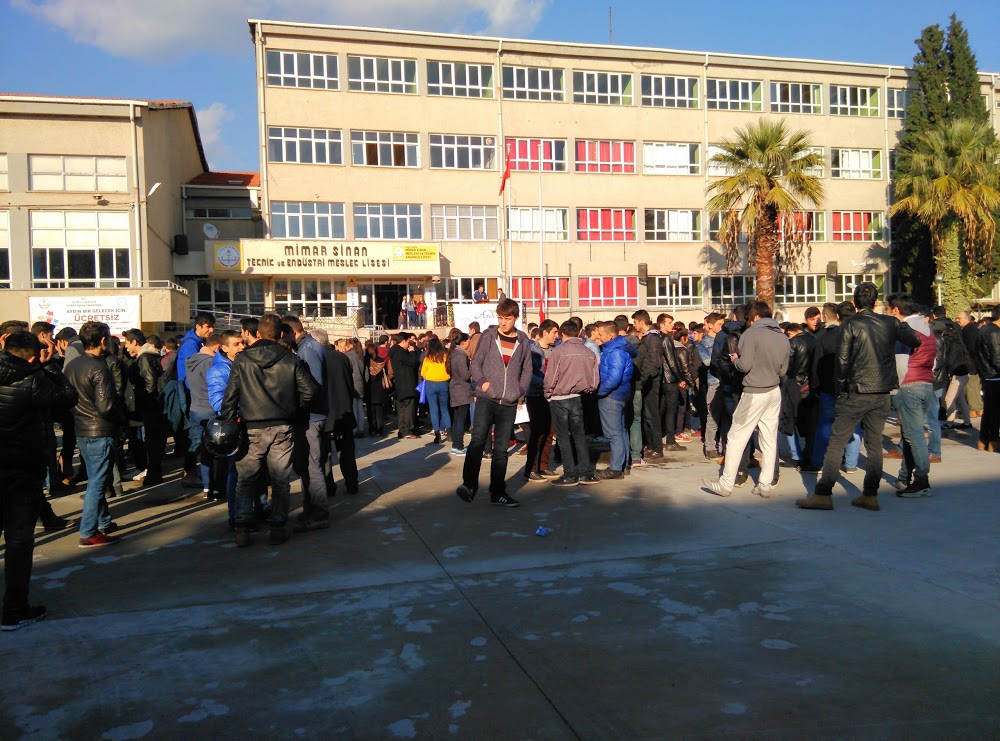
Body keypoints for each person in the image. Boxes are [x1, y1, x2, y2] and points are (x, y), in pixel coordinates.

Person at [797, 282, 921, 512]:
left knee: (836, 442)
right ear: (875, 302)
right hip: (883, 390)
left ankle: (823, 493)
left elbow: (842, 361)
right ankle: (870, 494)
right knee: (874, 444)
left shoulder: (850, 324)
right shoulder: (890, 322)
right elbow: (915, 340)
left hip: (856, 390)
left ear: (854, 303)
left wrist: (842, 390)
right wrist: (896, 327)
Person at [0, 330, 78, 630]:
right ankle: (14, 610)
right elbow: (68, 397)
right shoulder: (35, 380)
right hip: (21, 469)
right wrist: (48, 365)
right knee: (19, 541)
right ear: (34, 354)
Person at [221, 314, 320, 547]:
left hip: (251, 426)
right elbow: (311, 391)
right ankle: (277, 526)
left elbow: (230, 397)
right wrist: (293, 408)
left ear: (258, 333)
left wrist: (228, 422)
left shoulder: (243, 360)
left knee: (246, 479)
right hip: (282, 425)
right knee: (280, 479)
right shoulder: (290, 359)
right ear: (281, 334)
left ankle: (242, 528)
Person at [702, 301, 789, 498]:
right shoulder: (781, 336)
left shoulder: (752, 334)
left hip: (754, 391)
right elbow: (784, 370)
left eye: (749, 319)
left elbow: (744, 366)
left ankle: (726, 483)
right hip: (774, 391)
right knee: (768, 438)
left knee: (735, 436)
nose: (748, 322)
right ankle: (765, 485)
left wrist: (734, 359)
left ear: (755, 317)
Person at [456, 298, 533, 507]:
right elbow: (476, 363)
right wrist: (484, 384)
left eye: (507, 318)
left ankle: (498, 492)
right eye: (500, 317)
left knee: (501, 450)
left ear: (515, 318)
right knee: (478, 440)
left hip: (509, 402)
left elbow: (527, 369)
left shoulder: (524, 341)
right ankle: (469, 485)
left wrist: (520, 391)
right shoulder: (489, 336)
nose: (502, 322)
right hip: (486, 398)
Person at [64, 322, 124, 548]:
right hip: (99, 429)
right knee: (97, 482)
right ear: (102, 340)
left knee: (95, 478)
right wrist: (121, 419)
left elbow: (68, 399)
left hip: (82, 427)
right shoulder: (99, 368)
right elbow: (106, 405)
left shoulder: (72, 365)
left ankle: (103, 522)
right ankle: (89, 532)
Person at [884, 294, 937, 496]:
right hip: (925, 383)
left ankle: (922, 481)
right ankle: (904, 477)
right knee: (910, 434)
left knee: (914, 436)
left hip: (908, 386)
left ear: (896, 310)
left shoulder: (904, 329)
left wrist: (893, 388)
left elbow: (899, 362)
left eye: (887, 310)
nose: (887, 313)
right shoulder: (927, 328)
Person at [283, 315, 331, 530]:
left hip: (311, 417)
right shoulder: (307, 347)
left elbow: (313, 388)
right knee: (306, 466)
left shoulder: (308, 350)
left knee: (313, 466)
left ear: (292, 332)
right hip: (310, 416)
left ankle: (319, 513)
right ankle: (310, 510)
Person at [544, 320, 601, 486]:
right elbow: (594, 378)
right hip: (577, 397)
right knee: (579, 436)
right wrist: (589, 389)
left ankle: (570, 474)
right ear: (579, 333)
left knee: (563, 437)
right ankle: (585, 473)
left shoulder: (558, 351)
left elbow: (551, 377)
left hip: (559, 398)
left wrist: (548, 393)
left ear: (563, 334)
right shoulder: (588, 352)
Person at [810, 302, 862, 472]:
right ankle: (851, 463)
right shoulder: (859, 335)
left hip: (828, 387)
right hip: (853, 387)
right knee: (854, 424)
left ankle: (818, 461)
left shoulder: (825, 337)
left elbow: (816, 364)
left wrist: (816, 385)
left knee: (825, 424)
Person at [207, 330, 244, 528]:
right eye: (237, 344)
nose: (242, 347)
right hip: (234, 426)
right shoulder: (219, 371)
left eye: (242, 343)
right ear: (224, 347)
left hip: (246, 423)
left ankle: (257, 509)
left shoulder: (242, 364)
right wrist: (245, 406)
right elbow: (218, 402)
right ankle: (235, 517)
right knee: (235, 473)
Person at [122, 328, 165, 487]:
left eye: (127, 343)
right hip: (151, 406)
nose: (126, 346)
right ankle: (153, 472)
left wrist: (146, 400)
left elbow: (150, 383)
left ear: (134, 342)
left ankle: (153, 474)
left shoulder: (145, 358)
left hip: (150, 406)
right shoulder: (148, 356)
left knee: (152, 441)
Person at [321, 331, 361, 498]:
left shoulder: (317, 358)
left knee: (325, 453)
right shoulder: (342, 358)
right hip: (343, 408)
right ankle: (352, 483)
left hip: (324, 410)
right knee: (346, 452)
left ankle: (329, 486)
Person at [178, 312, 216, 487]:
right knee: (195, 437)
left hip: (193, 394)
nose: (211, 329)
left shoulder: (196, 343)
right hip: (192, 394)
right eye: (207, 326)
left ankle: (194, 471)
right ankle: (189, 471)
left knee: (198, 437)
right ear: (198, 326)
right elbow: (191, 374)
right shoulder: (190, 345)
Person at [595, 321, 635, 479]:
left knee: (614, 434)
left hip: (612, 396)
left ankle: (616, 468)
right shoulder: (615, 348)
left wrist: (599, 391)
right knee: (620, 431)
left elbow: (614, 378)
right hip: (619, 394)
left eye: (601, 334)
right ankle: (623, 465)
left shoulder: (615, 351)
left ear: (610, 335)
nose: (599, 336)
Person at [184, 333, 222, 497]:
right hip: (210, 410)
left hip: (195, 409)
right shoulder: (210, 363)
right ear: (218, 347)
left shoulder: (192, 361)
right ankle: (216, 486)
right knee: (215, 451)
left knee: (202, 449)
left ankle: (207, 486)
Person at [523, 320, 558, 480]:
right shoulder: (532, 350)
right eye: (554, 332)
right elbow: (528, 374)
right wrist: (546, 383)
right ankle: (530, 468)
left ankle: (543, 466)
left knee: (550, 432)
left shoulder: (555, 351)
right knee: (536, 433)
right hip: (536, 395)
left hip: (551, 396)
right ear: (545, 333)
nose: (556, 336)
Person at [782, 321, 817, 471]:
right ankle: (810, 453)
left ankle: (796, 455)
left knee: (789, 419)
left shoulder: (793, 343)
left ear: (790, 332)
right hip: (811, 385)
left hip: (794, 385)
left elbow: (786, 366)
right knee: (811, 422)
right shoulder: (814, 340)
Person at [632, 310, 663, 461]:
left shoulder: (652, 338)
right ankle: (651, 445)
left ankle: (657, 448)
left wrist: (643, 379)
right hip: (646, 381)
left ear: (642, 322)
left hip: (651, 382)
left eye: (635, 322)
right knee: (646, 416)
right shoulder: (647, 338)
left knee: (652, 415)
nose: (634, 325)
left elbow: (653, 364)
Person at [658, 313, 692, 453]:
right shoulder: (666, 339)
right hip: (669, 379)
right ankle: (671, 441)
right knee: (671, 410)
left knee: (663, 409)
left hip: (664, 379)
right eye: (669, 323)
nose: (672, 325)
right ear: (662, 324)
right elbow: (671, 361)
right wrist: (680, 379)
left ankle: (659, 438)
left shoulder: (660, 337)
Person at [698, 313, 725, 462]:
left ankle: (722, 446)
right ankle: (709, 447)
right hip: (714, 381)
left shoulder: (724, 339)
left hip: (724, 381)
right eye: (719, 324)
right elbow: (708, 362)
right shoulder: (704, 343)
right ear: (709, 325)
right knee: (713, 416)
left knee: (725, 417)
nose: (721, 327)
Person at [974, 306, 1000, 452]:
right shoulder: (994, 332)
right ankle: (993, 440)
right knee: (995, 411)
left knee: (989, 410)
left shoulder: (983, 329)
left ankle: (984, 439)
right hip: (994, 376)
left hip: (986, 375)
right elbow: (996, 357)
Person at [420, 336, 451, 445]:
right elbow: (449, 369)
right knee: (444, 408)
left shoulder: (428, 358)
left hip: (431, 384)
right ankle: (449, 431)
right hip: (443, 383)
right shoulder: (445, 356)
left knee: (434, 409)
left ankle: (437, 433)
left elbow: (423, 372)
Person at [390, 332, 420, 438]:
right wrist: (412, 352)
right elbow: (413, 363)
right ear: (403, 341)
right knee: (409, 408)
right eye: (408, 341)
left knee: (402, 408)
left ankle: (402, 429)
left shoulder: (393, 351)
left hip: (399, 383)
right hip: (407, 383)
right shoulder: (402, 352)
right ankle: (408, 430)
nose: (409, 344)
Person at [448, 333, 473, 454]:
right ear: (463, 342)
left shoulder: (454, 353)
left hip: (456, 389)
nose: (469, 344)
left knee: (457, 419)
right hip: (462, 390)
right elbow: (465, 375)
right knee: (460, 420)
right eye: (468, 341)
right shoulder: (461, 355)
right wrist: (473, 367)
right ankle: (459, 446)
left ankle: (456, 444)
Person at [957, 311, 983, 418]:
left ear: (967, 319)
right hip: (974, 363)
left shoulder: (969, 331)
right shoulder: (971, 329)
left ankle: (974, 409)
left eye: (959, 318)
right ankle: (978, 408)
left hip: (971, 364)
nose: (957, 320)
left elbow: (973, 349)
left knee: (971, 387)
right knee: (974, 387)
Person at [364, 341, 390, 436]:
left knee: (370, 411)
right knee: (379, 410)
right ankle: (380, 429)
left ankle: (372, 429)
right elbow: (385, 373)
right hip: (379, 388)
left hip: (369, 388)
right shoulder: (381, 361)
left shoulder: (366, 361)